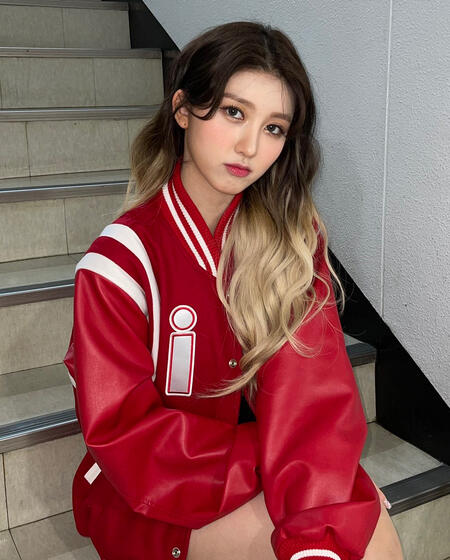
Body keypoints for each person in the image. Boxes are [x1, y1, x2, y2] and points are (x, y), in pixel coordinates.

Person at [63, 20, 404, 560]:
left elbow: (313, 394)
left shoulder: (290, 242)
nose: (250, 146)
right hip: (144, 490)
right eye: (233, 112)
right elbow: (126, 437)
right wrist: (282, 463)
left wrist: (321, 486)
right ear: (182, 109)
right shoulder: (119, 265)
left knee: (364, 536)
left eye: (274, 128)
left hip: (259, 463)